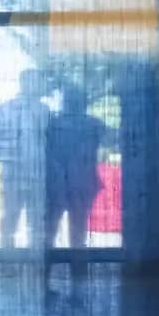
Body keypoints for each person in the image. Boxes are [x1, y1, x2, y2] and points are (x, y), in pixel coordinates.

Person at [0, 68, 50, 247]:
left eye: (39, 81)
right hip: (13, 176)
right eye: (35, 81)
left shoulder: (44, 110)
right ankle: (8, 264)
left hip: (38, 176)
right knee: (10, 221)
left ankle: (34, 264)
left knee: (37, 224)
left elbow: (49, 143)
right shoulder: (5, 110)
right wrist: (12, 160)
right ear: (24, 83)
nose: (39, 86)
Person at [45, 83, 108, 249]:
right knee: (78, 228)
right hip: (83, 181)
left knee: (50, 228)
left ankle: (46, 270)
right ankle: (78, 270)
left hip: (56, 181)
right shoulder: (95, 124)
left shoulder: (53, 123)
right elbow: (110, 140)